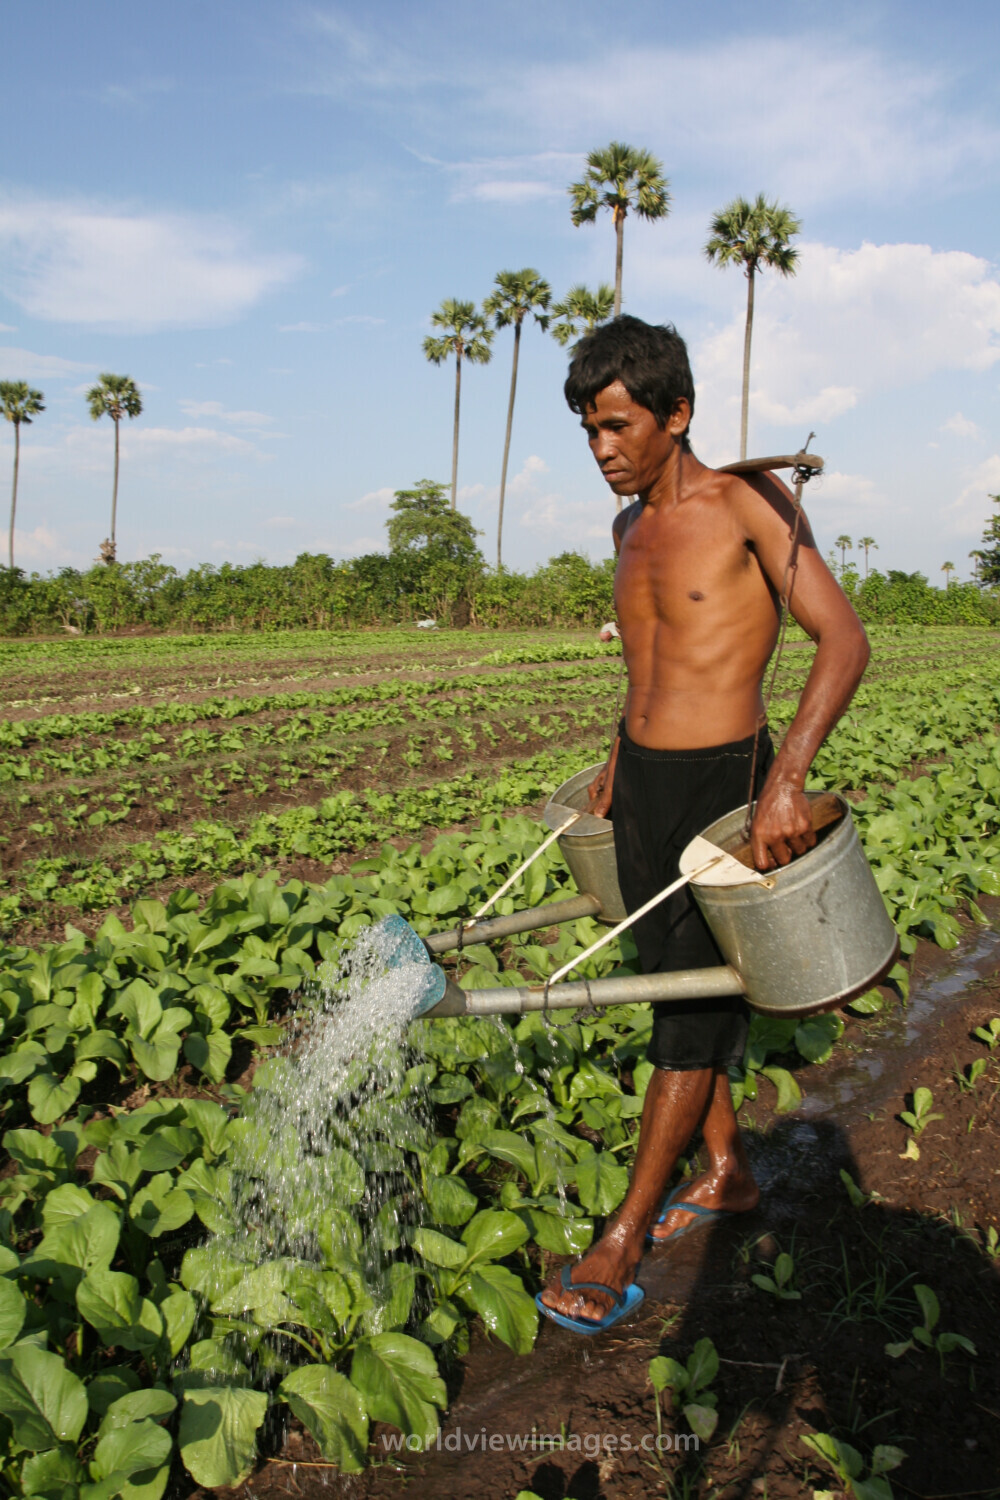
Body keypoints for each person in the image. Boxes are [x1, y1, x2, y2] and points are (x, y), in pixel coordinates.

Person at [537, 316, 870, 1332]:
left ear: (674, 415)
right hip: (638, 787)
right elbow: (651, 661)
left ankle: (624, 1233)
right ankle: (725, 1169)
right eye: (588, 431)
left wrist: (788, 782)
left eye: (616, 425)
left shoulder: (744, 504)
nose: (601, 450)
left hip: (727, 789)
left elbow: (842, 639)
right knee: (663, 986)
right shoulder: (625, 527)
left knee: (689, 1025)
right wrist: (613, 754)